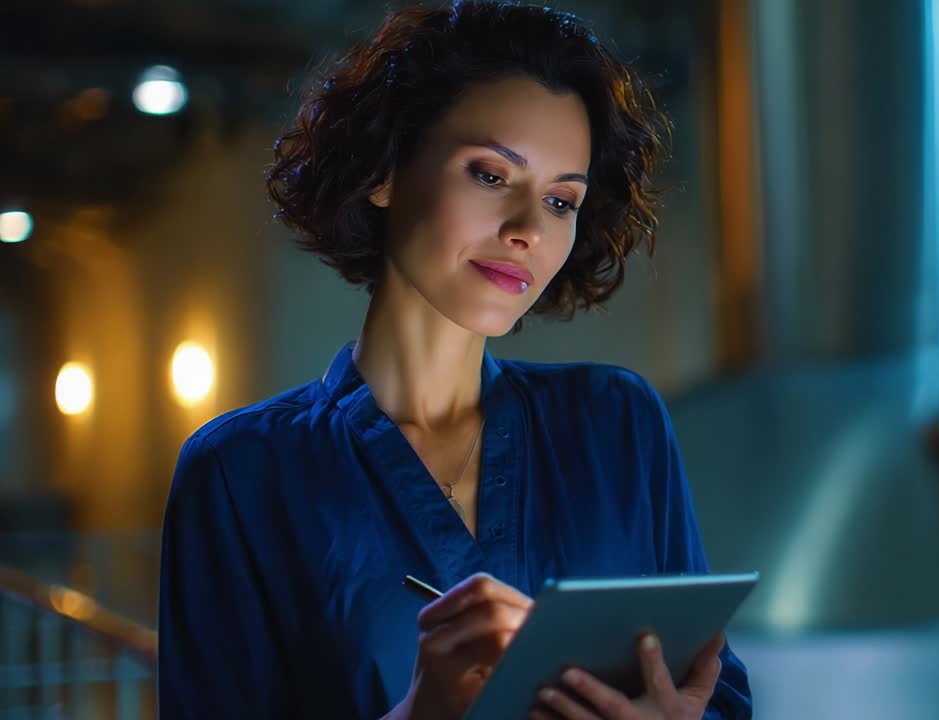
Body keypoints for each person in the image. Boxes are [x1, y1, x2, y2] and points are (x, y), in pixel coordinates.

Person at [157, 1, 752, 718]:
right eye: (492, 176)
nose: (530, 229)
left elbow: (713, 690)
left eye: (562, 201)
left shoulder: (617, 423)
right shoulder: (241, 471)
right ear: (385, 171)